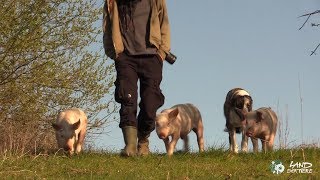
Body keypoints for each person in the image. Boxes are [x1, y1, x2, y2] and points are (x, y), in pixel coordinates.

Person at [103, 0, 171, 156]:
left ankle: (143, 140)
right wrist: (116, 54)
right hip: (126, 58)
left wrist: (162, 53)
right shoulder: (112, 2)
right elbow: (107, 29)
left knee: (150, 102)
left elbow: (164, 25)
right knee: (127, 98)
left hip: (152, 56)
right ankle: (130, 146)